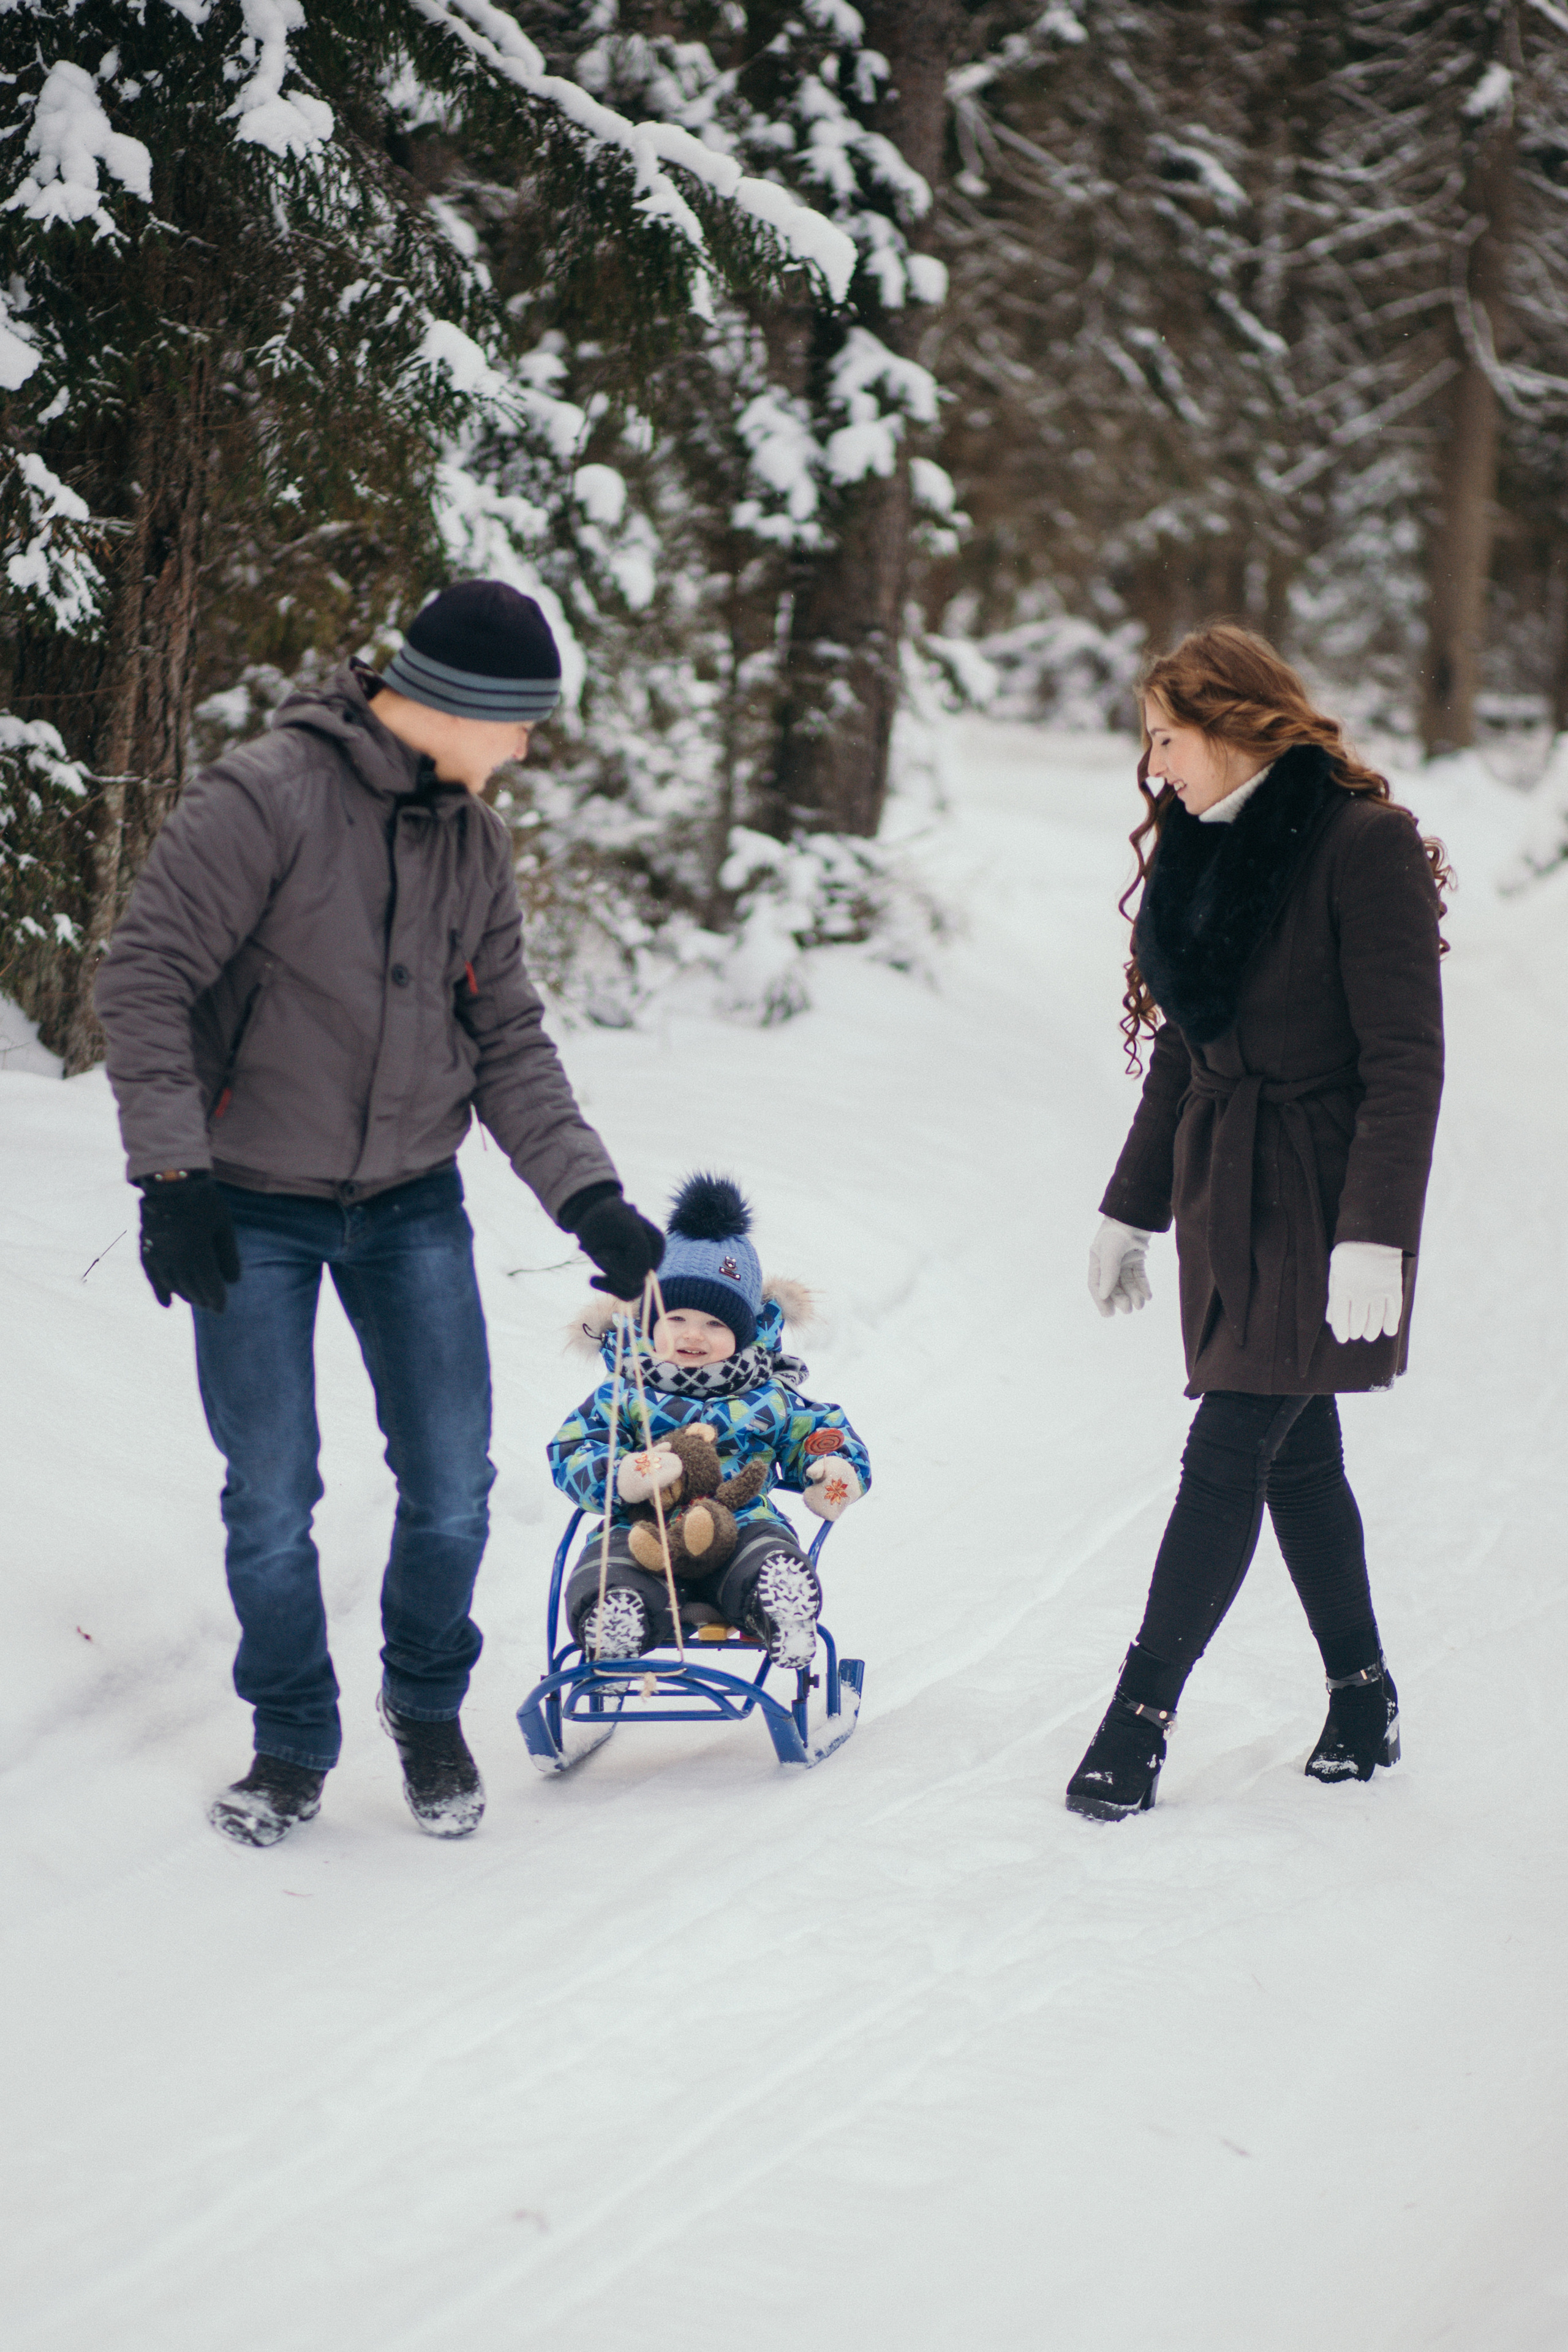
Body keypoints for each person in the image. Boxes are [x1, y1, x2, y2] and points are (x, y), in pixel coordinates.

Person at [94, 581, 665, 1849]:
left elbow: (507, 1040)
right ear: (458, 707)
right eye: (519, 725)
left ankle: (426, 1704)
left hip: (411, 1202)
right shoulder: (265, 798)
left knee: (454, 1481)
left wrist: (589, 1195)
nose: (525, 750)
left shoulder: (474, 844)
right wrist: (172, 1179)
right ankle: (292, 1738)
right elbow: (144, 978)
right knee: (271, 1492)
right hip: (251, 1203)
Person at [1068, 623, 1448, 1822]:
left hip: (1320, 1195)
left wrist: (1374, 1233)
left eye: (1165, 739)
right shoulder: (1200, 846)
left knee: (1231, 1441)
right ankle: (1362, 1696)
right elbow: (1186, 1049)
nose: (1154, 768)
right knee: (1295, 1449)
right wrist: (1128, 1210)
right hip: (1221, 1193)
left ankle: (1136, 1720)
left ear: (1232, 724)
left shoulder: (1361, 842)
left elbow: (1404, 1060)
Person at [549, 1174, 869, 1666]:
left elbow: (820, 1433)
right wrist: (621, 1476)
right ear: (650, 1323)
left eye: (715, 1324)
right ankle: (618, 1622)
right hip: (643, 1527)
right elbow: (573, 1449)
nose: (693, 1336)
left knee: (766, 1550)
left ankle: (778, 1606)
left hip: (739, 1524)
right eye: (676, 1319)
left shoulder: (769, 1395)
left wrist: (833, 1468)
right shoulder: (625, 1392)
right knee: (610, 1565)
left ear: (742, 1334)